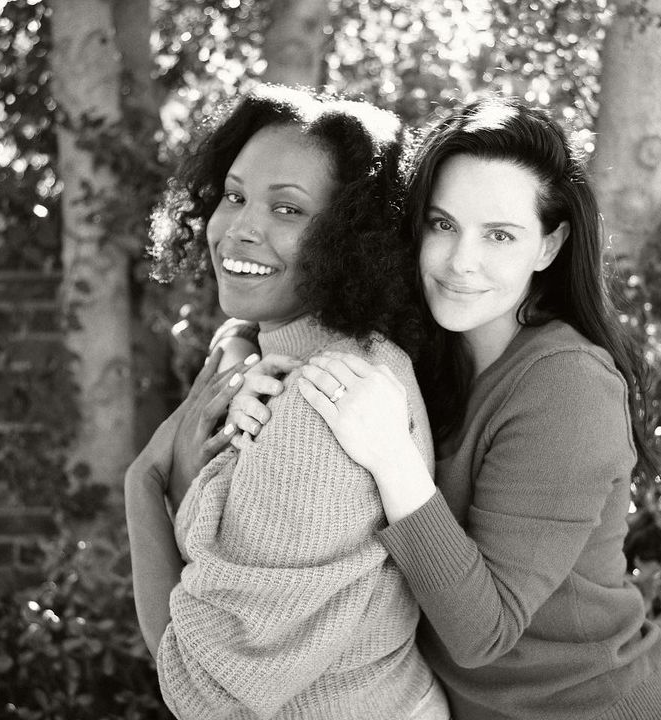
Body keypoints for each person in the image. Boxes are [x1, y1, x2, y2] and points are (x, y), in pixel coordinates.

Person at [285, 97, 661, 719]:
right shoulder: (425, 349)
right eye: (443, 224)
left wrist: (393, 457)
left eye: (499, 235)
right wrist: (245, 362)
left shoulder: (569, 386)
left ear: (549, 246)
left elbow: (484, 632)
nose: (460, 262)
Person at [124, 85, 449, 720]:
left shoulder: (321, 410)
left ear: (351, 239)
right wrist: (238, 347)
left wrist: (144, 482)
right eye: (235, 196)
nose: (240, 229)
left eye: (288, 209)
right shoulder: (308, 349)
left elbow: (202, 690)